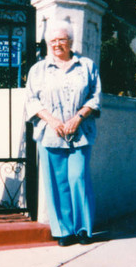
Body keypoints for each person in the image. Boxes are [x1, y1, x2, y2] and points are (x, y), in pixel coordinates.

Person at [25, 19, 102, 246]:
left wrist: (78, 117)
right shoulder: (38, 70)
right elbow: (31, 100)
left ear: (70, 41)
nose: (57, 44)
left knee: (77, 177)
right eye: (53, 40)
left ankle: (83, 228)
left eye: (61, 40)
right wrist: (52, 120)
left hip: (81, 132)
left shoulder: (87, 66)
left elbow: (95, 97)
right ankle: (63, 230)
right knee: (57, 182)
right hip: (50, 133)